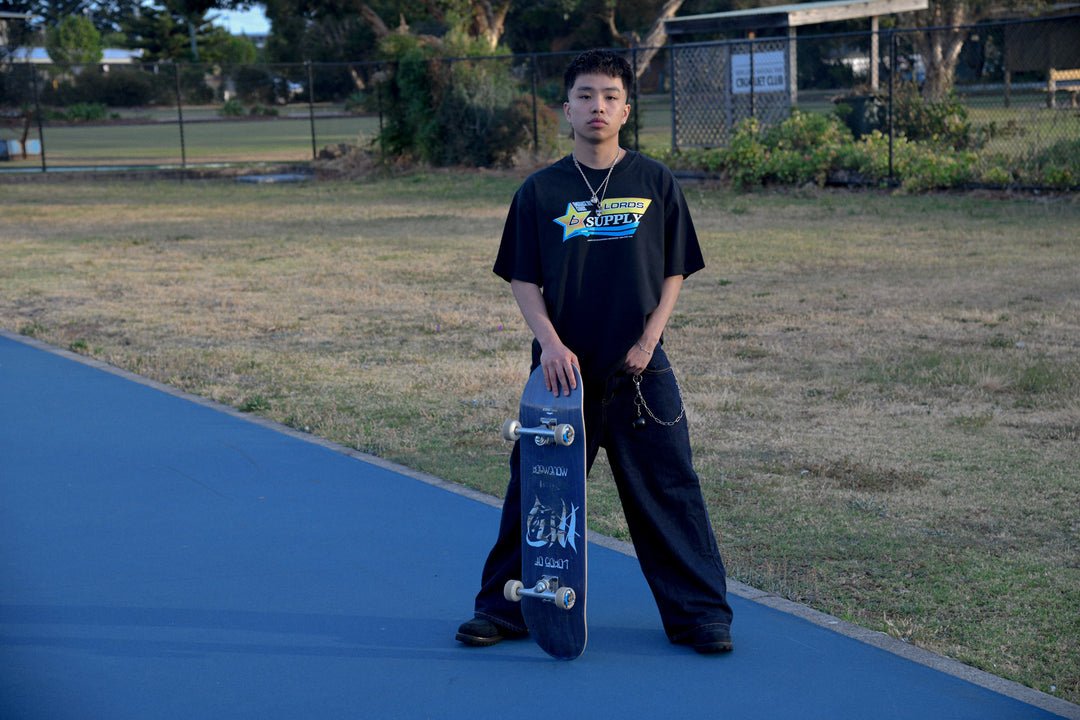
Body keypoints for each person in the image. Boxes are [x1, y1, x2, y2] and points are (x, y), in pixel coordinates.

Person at [456, 49, 734, 654]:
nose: (597, 106)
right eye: (585, 96)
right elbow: (522, 278)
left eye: (610, 96)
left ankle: (700, 616)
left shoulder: (655, 182)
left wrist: (649, 339)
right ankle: (505, 610)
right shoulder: (540, 190)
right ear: (567, 109)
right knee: (536, 491)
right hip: (561, 375)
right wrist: (551, 345)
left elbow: (674, 271)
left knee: (669, 489)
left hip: (638, 369)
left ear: (626, 109)